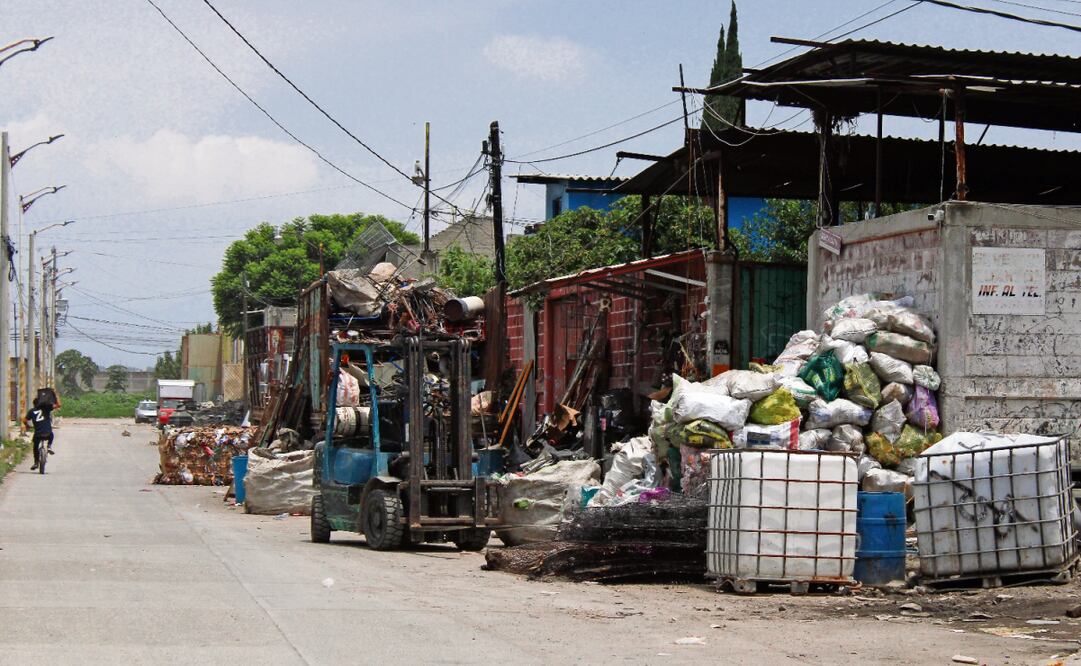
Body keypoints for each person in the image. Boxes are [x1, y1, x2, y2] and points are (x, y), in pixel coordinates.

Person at [24, 393, 61, 471]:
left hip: (38, 434)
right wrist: (55, 396)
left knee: (35, 447)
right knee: (51, 434)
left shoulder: (31, 411)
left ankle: (36, 462)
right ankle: (49, 446)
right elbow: (58, 405)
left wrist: (27, 426)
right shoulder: (46, 408)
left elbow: (24, 420)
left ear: (34, 404)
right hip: (47, 433)